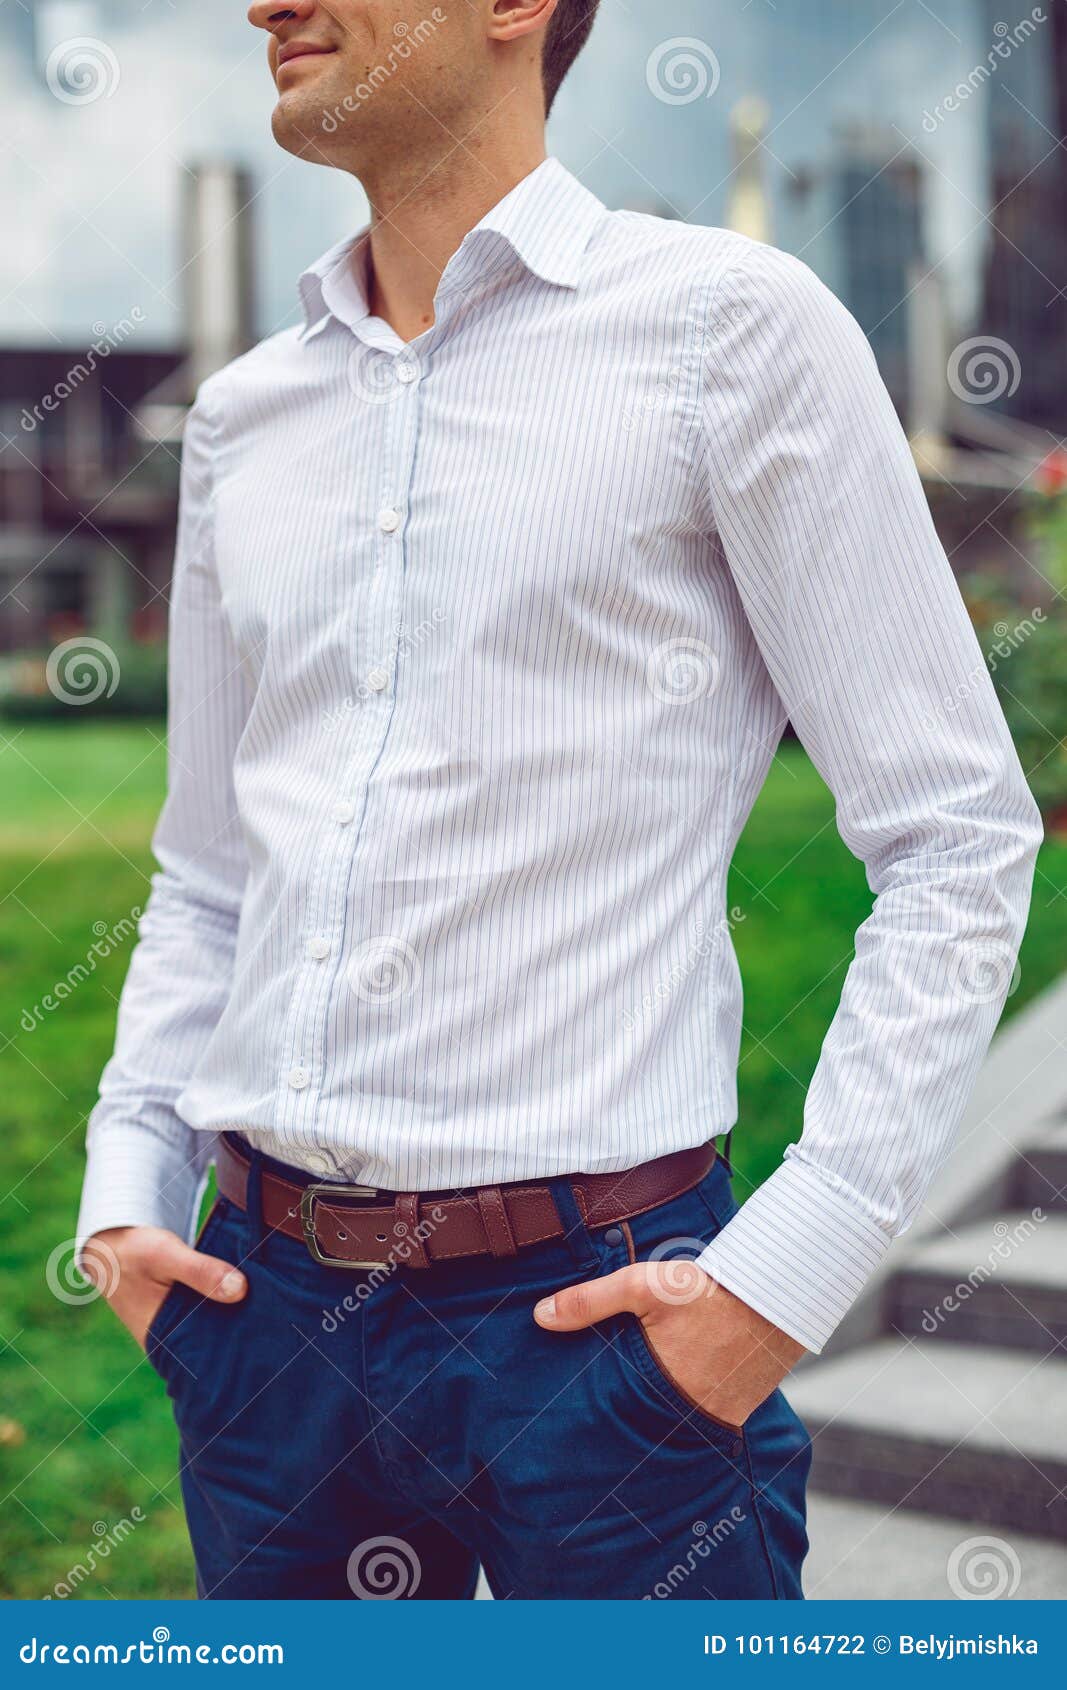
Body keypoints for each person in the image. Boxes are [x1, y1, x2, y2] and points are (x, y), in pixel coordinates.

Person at [78, 0, 1041, 1600]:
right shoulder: (243, 422)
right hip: (262, 1334)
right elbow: (209, 872)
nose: (263, 4)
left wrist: (768, 1297)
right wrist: (128, 1198)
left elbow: (955, 836)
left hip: (604, 1342)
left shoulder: (730, 331)